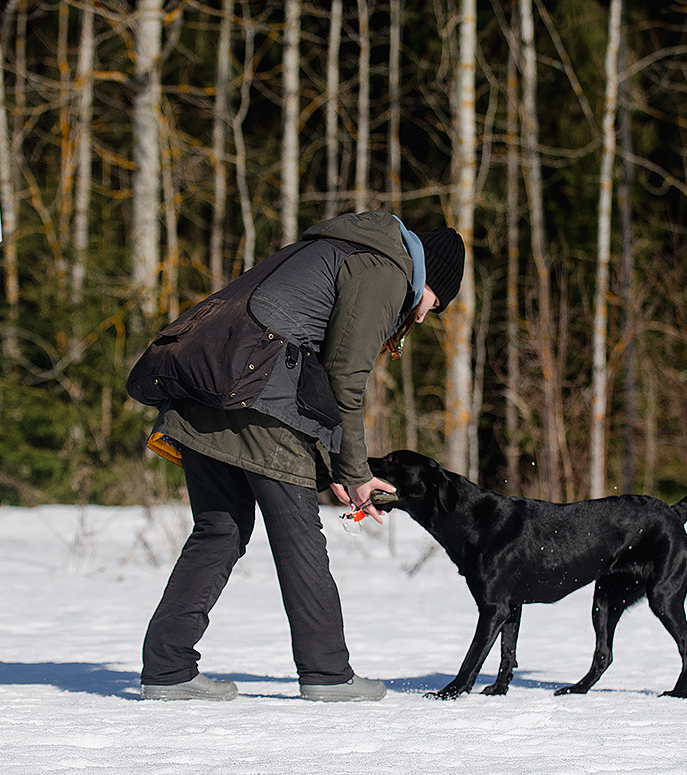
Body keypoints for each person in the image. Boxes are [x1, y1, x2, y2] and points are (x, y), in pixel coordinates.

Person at [127, 210, 464, 702]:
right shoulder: (386, 271)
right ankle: (327, 674)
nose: (425, 314)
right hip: (257, 394)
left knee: (220, 528)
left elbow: (310, 370)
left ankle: (167, 666)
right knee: (299, 537)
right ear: (429, 279)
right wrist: (354, 472)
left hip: (211, 386)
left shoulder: (336, 248)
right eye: (437, 303)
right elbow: (344, 377)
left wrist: (336, 472)